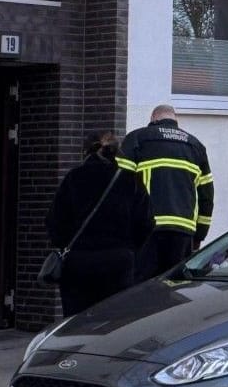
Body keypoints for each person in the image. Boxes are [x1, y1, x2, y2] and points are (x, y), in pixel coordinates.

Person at [45, 132, 155, 314]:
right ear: (117, 153)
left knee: (76, 323)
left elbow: (54, 222)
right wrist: (129, 249)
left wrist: (66, 245)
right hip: (118, 263)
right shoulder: (131, 180)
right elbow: (146, 223)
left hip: (79, 263)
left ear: (86, 152)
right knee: (115, 322)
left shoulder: (73, 178)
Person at [119, 103, 215, 269]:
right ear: (175, 120)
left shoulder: (137, 139)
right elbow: (207, 196)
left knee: (143, 287)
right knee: (173, 286)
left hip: (147, 229)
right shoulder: (196, 146)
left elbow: (119, 185)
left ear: (152, 119)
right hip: (183, 232)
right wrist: (199, 235)